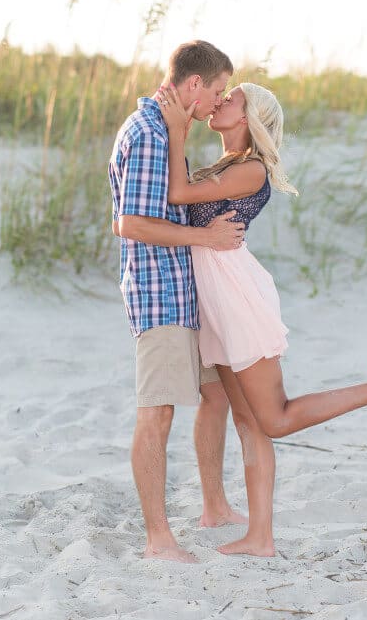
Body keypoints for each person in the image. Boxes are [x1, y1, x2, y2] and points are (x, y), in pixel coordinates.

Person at [154, 80, 367, 558]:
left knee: (273, 419)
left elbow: (178, 194)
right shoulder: (225, 165)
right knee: (247, 420)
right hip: (215, 303)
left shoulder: (253, 170)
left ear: (248, 118)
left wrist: (177, 127)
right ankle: (259, 537)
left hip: (237, 300)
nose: (221, 101)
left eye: (232, 98)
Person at [108, 40, 251, 563]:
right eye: (215, 91)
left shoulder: (165, 128)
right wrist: (206, 238)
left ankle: (213, 505)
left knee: (214, 396)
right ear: (194, 85)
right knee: (157, 414)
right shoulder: (148, 133)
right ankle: (158, 540)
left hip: (185, 290)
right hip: (160, 292)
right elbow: (132, 224)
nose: (218, 102)